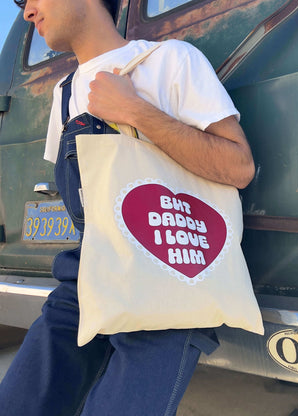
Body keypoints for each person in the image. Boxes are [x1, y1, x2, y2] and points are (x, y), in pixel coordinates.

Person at [0, 0, 255, 415]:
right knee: (19, 403)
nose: (27, 12)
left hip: (169, 277)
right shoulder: (64, 95)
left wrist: (134, 110)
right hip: (89, 274)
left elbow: (238, 165)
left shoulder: (171, 61)